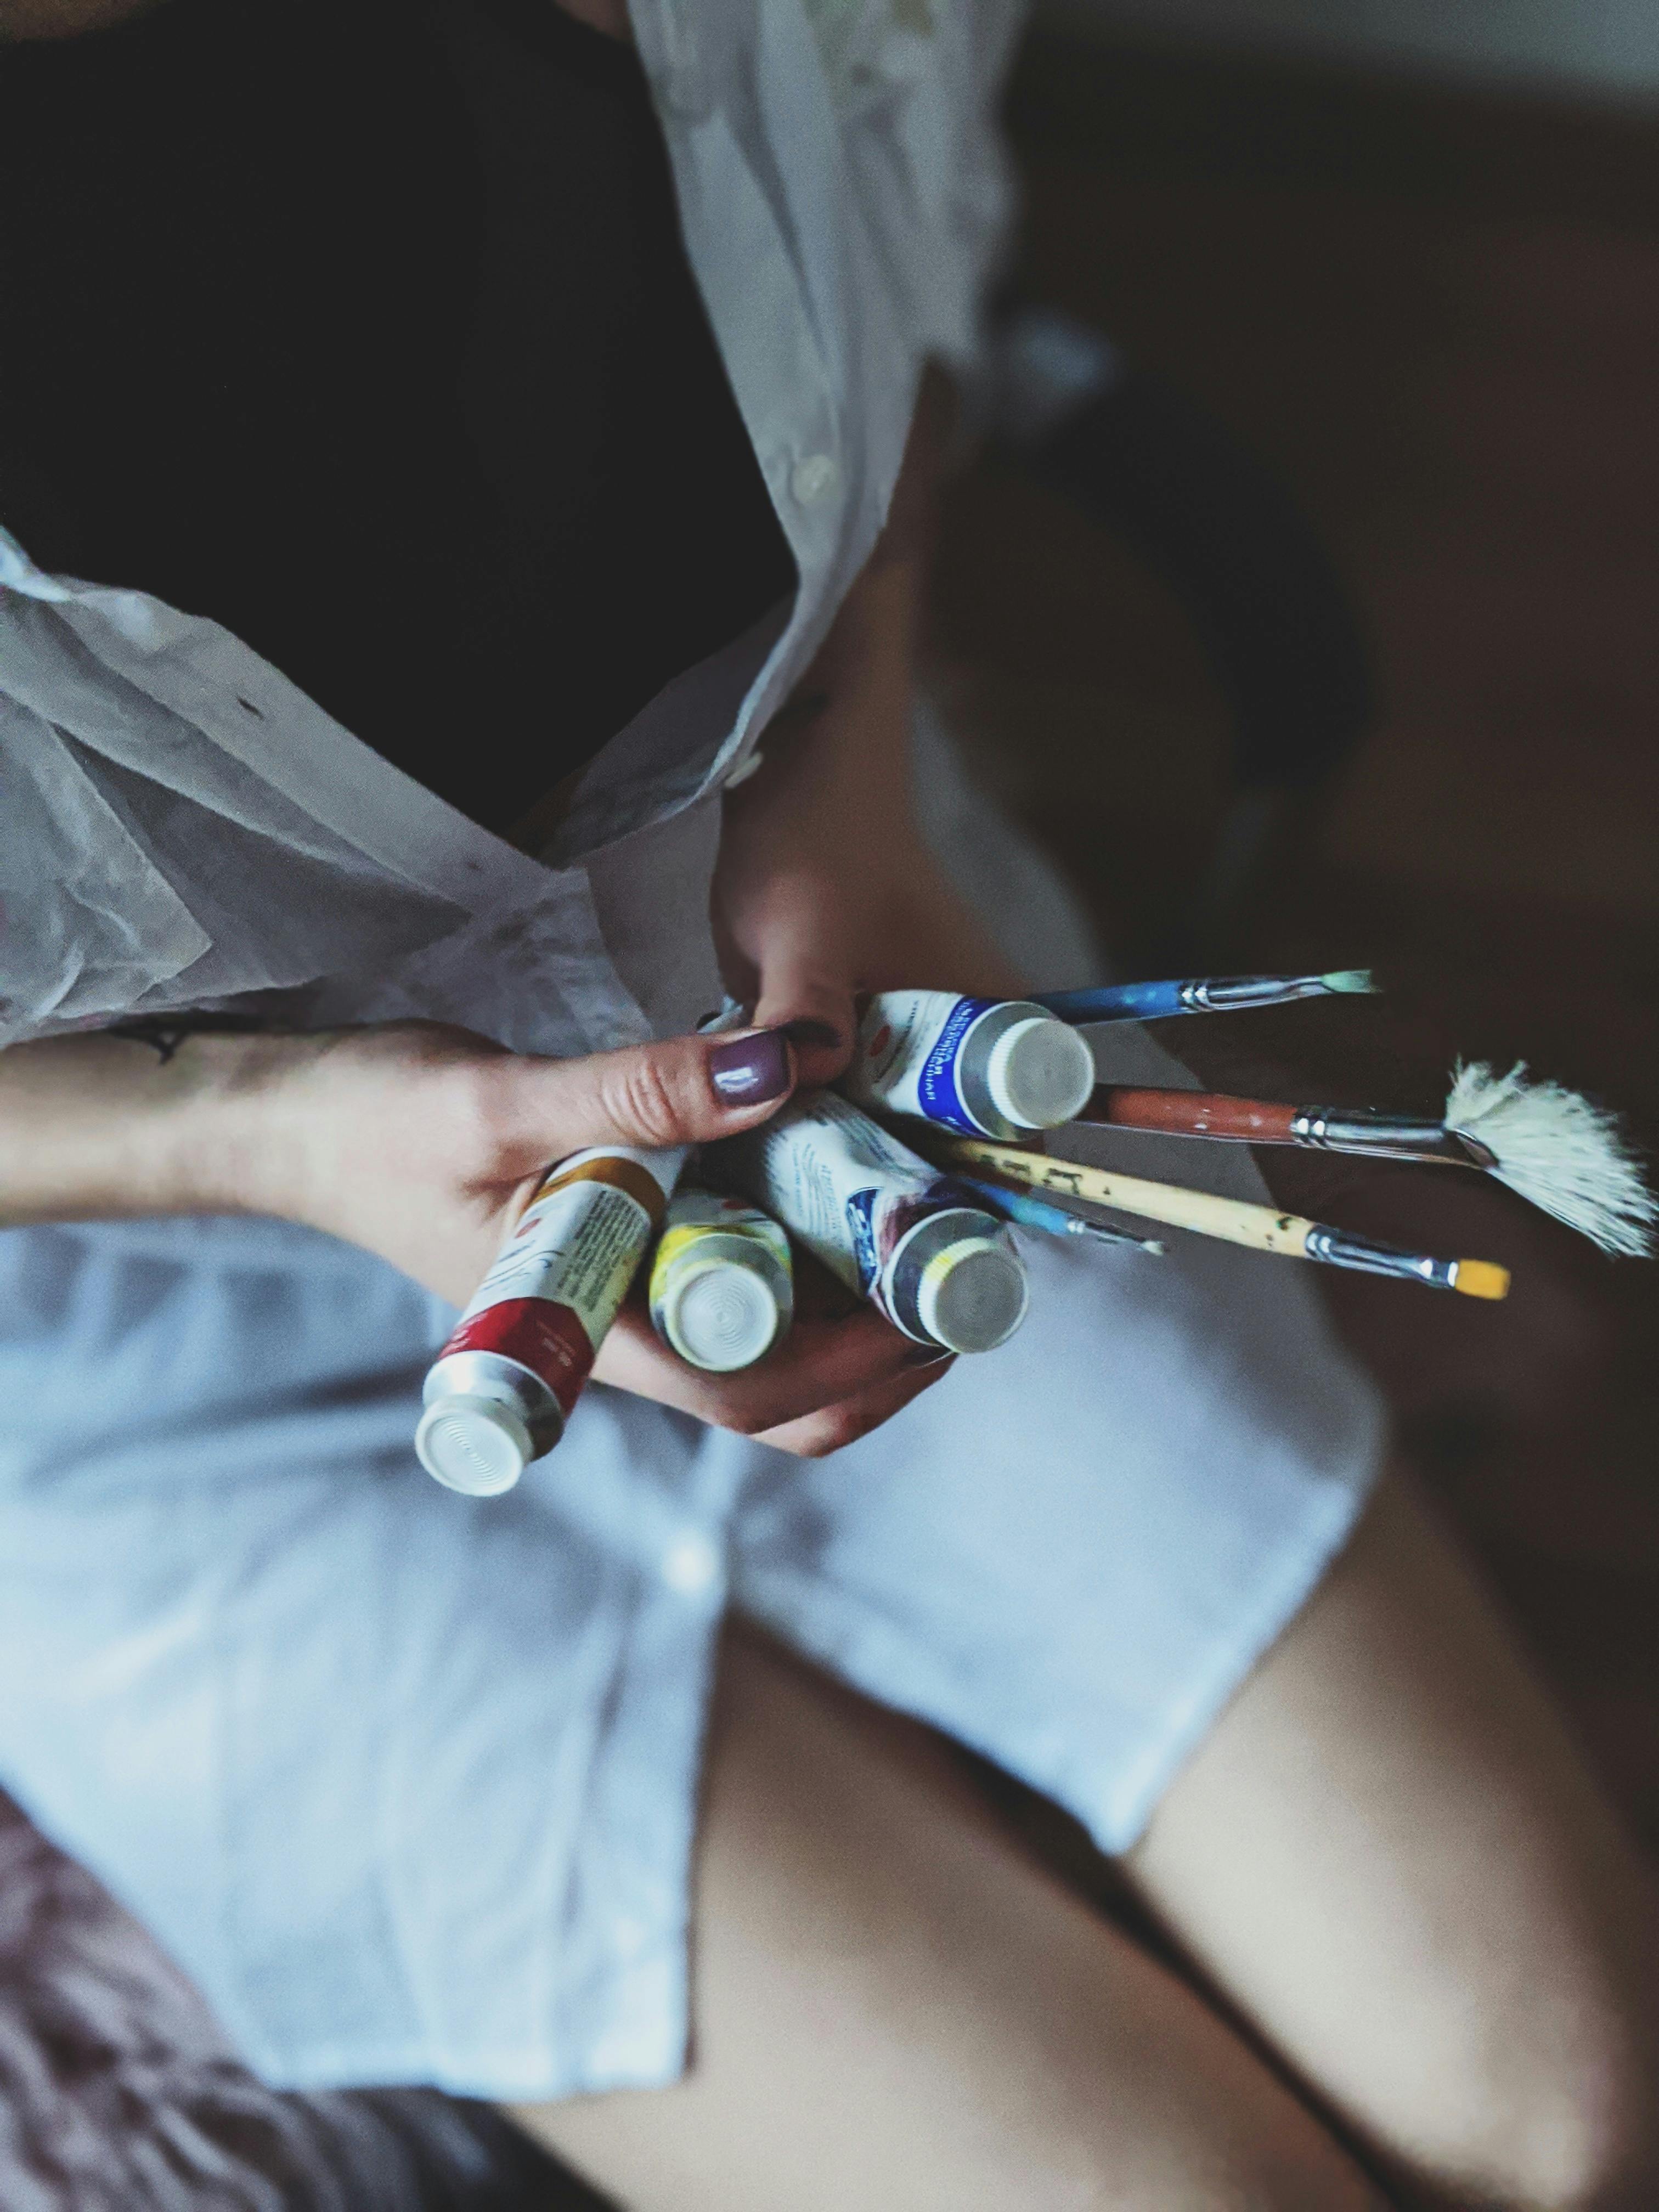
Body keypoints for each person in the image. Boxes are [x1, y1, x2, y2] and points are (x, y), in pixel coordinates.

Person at [2, 2, 1656, 2205]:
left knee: (1564, 2114)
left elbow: (894, 253)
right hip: (158, 1337)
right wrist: (260, 1137)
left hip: (832, 1021)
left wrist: (849, 771)